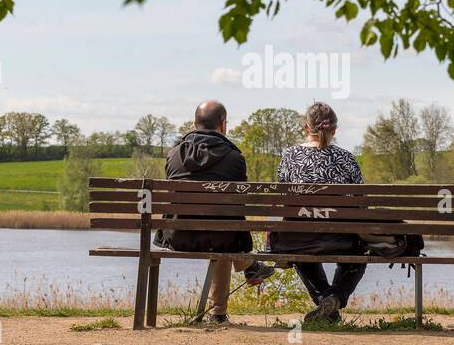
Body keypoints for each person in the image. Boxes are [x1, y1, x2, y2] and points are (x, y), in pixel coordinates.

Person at [155, 100, 274, 324]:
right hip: (223, 236)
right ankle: (223, 306)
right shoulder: (235, 159)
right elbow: (241, 204)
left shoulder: (173, 155)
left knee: (222, 231)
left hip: (179, 235)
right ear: (223, 124)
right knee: (224, 231)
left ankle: (250, 268)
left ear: (194, 123)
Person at [271, 102, 366, 325]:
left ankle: (326, 299)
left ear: (306, 127)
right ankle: (335, 297)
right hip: (341, 239)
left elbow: (283, 202)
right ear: (335, 130)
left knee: (302, 251)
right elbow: (361, 205)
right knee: (358, 256)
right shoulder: (347, 159)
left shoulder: (289, 157)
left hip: (298, 238)